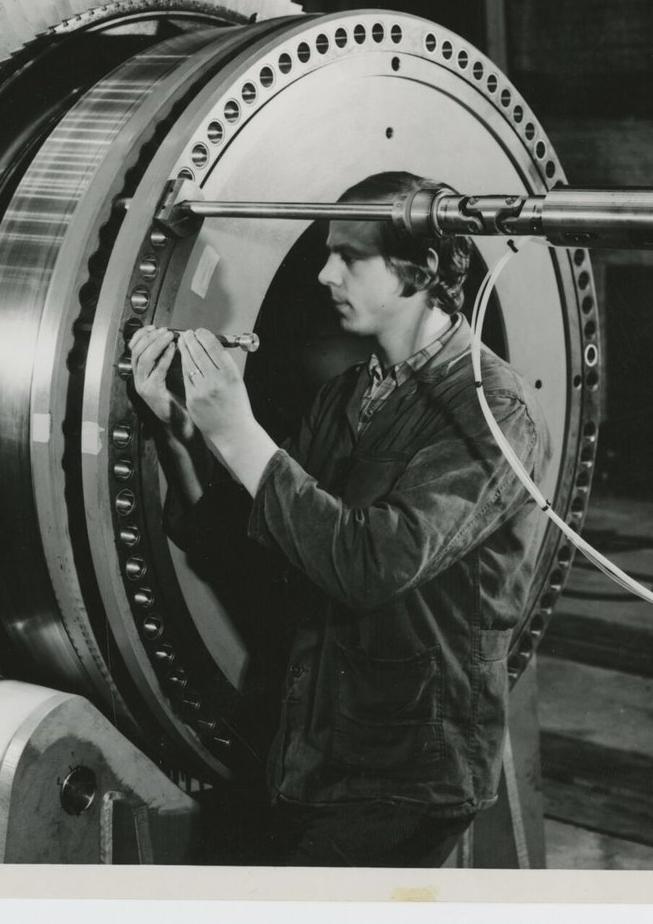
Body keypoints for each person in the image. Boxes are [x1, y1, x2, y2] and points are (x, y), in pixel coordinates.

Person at [126, 171, 550, 868]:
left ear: (423, 268)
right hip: (316, 760)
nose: (325, 273)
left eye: (349, 255)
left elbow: (371, 562)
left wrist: (239, 434)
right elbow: (250, 546)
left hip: (406, 776)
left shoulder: (491, 411)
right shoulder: (346, 398)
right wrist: (176, 435)